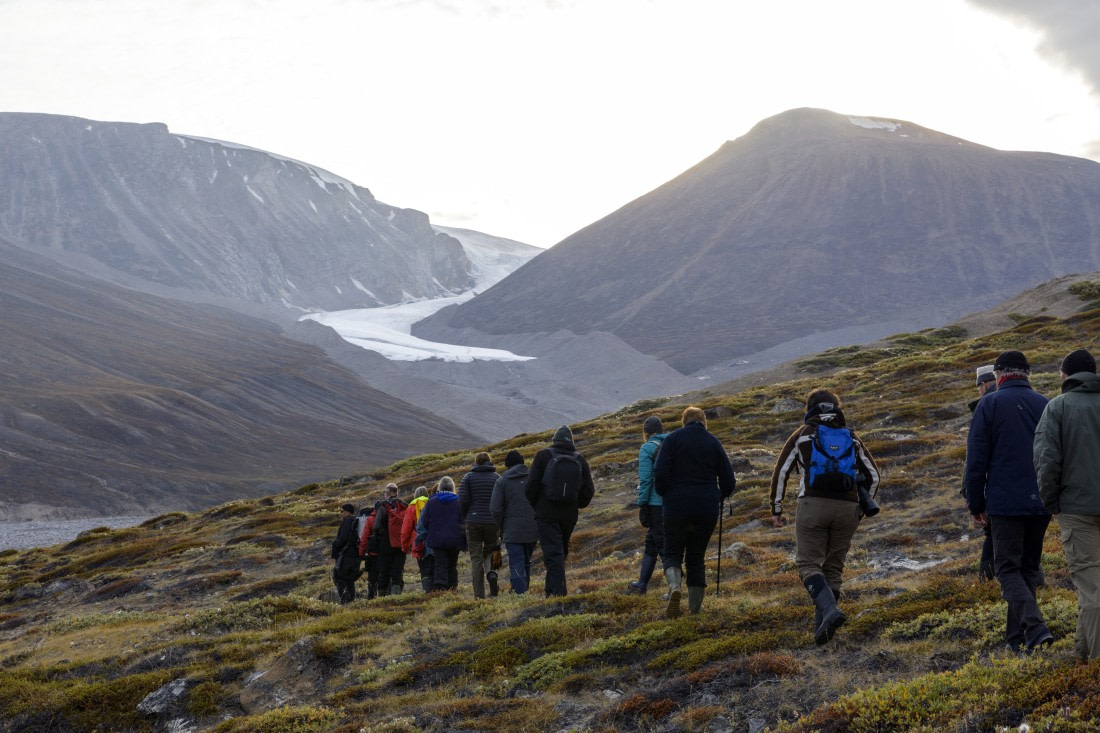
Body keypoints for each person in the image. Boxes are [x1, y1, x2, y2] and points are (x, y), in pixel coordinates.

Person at [770, 389, 880, 644]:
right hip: (847, 509)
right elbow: (874, 475)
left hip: (812, 506)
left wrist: (776, 509)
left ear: (810, 408)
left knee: (808, 565)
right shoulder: (851, 437)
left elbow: (782, 472)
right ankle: (822, 632)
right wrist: (861, 507)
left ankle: (829, 612)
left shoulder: (803, 434)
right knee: (833, 568)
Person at [966, 350, 1053, 653]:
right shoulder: (1046, 404)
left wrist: (975, 504)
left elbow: (976, 461)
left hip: (1005, 504)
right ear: (1027, 373)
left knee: (1006, 569)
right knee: (1027, 568)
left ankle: (1036, 627)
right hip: (1042, 500)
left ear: (999, 375)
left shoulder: (988, 404)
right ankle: (1018, 639)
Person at [1034, 348, 1100, 660]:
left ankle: (1095, 668)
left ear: (1065, 375)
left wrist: (1051, 502)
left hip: (1077, 511)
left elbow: (1047, 461)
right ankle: (1083, 654)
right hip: (1080, 508)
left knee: (1092, 588)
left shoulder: (1058, 407)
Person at [654, 407, 735, 618]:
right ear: (703, 421)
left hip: (676, 505)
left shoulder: (672, 440)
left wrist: (665, 493)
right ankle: (695, 611)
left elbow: (660, 473)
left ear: (684, 421)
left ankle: (674, 588)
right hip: (706, 507)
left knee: (672, 552)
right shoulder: (713, 441)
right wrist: (719, 495)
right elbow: (728, 480)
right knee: (696, 557)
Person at [525, 425, 596, 597]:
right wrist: (576, 504)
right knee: (559, 552)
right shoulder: (580, 459)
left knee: (553, 554)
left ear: (554, 440)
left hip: (546, 514)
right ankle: (551, 592)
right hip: (569, 516)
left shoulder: (543, 455)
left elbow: (530, 488)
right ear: (571, 442)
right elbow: (589, 491)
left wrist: (537, 506)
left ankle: (558, 596)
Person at [629, 415, 669, 595]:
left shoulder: (647, 448)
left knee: (662, 545)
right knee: (652, 542)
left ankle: (674, 586)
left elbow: (645, 480)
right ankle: (641, 583)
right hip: (674, 501)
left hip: (655, 504)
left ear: (646, 433)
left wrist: (642, 504)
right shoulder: (672, 444)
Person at [964, 365, 998, 581]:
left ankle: (987, 580)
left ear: (984, 384)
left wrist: (973, 499)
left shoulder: (986, 407)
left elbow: (975, 459)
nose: (978, 391)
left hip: (995, 488)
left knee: (993, 535)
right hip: (1029, 489)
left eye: (978, 386)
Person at [491, 449, 538, 594]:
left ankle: (520, 595)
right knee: (526, 562)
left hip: (512, 529)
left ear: (508, 465)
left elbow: (495, 509)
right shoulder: (534, 478)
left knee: (517, 562)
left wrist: (502, 526)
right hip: (532, 528)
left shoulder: (502, 481)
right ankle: (524, 591)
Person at [459, 452, 502, 598]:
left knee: (476, 558)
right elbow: (501, 500)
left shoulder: (468, 478)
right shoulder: (497, 478)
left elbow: (463, 500)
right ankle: (493, 574)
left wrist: (467, 516)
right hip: (492, 522)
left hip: (473, 522)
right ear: (489, 462)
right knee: (493, 550)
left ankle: (479, 594)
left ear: (476, 462)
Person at [417, 476, 465, 591]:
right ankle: (452, 587)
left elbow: (424, 521)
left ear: (440, 487)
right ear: (453, 487)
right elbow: (463, 521)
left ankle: (440, 587)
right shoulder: (458, 501)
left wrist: (423, 537)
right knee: (452, 564)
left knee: (440, 563)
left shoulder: (432, 501)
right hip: (454, 539)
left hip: (437, 539)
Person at [371, 483, 409, 596]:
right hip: (400, 543)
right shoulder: (404, 505)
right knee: (397, 573)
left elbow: (376, 526)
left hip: (385, 543)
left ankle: (382, 599)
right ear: (396, 492)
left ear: (388, 493)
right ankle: (395, 597)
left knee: (384, 572)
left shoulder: (382, 506)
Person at [402, 486, 435, 593]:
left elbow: (406, 529)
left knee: (424, 569)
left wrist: (405, 546)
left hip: (419, 543)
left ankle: (427, 591)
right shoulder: (432, 503)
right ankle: (437, 590)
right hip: (434, 541)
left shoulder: (412, 507)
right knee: (435, 566)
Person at [331, 503, 361, 603]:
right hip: (355, 555)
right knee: (350, 579)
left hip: (346, 554)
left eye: (342, 511)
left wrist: (335, 544)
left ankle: (345, 601)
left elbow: (343, 539)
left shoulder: (347, 521)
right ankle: (351, 600)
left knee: (339, 577)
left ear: (348, 512)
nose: (341, 513)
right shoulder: (356, 521)